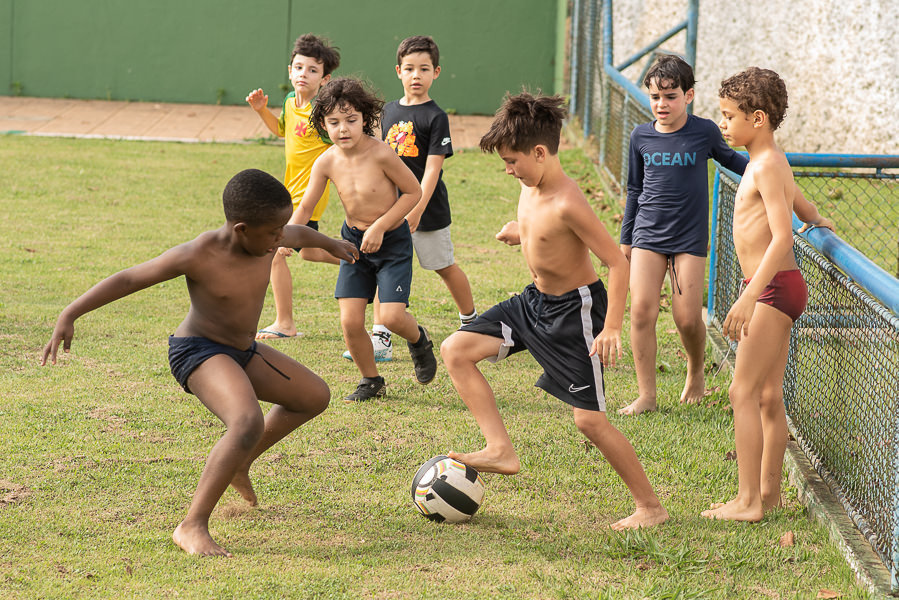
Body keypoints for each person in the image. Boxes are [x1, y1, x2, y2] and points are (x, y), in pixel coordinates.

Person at [41, 169, 358, 556]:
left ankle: (239, 462)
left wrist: (332, 243)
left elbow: (300, 234)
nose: (281, 239)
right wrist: (70, 313)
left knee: (313, 396)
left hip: (242, 349)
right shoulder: (198, 254)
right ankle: (191, 526)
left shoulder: (270, 235)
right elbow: (129, 279)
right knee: (246, 421)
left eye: (281, 230)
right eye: (274, 233)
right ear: (241, 229)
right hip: (198, 350)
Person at [440, 92, 669, 530]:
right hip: (534, 302)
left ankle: (650, 507)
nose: (509, 170)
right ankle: (500, 449)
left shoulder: (568, 201)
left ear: (540, 153)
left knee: (590, 422)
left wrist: (612, 327)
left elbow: (617, 263)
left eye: (512, 161)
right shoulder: (530, 185)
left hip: (574, 313)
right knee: (456, 349)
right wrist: (522, 233)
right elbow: (541, 227)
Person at [702, 68, 833, 521]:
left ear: (757, 119)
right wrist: (816, 217)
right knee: (768, 396)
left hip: (771, 290)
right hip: (777, 287)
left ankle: (748, 502)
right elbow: (795, 203)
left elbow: (781, 237)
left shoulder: (768, 164)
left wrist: (748, 298)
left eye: (728, 116)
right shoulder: (768, 162)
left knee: (742, 391)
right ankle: (769, 494)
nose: (722, 124)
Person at [617, 54, 755, 416]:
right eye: (655, 97)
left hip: (688, 240)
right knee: (641, 311)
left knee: (687, 318)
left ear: (688, 96)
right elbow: (635, 190)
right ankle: (646, 396)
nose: (662, 104)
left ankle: (695, 369)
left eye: (671, 96)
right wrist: (626, 239)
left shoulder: (704, 131)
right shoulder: (640, 136)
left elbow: (732, 160)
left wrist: (768, 168)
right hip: (647, 234)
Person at [289, 77, 438, 401]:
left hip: (392, 242)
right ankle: (371, 380)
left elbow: (413, 192)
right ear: (323, 124)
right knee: (350, 321)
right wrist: (286, 236)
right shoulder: (326, 161)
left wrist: (381, 226)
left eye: (351, 120)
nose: (343, 129)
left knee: (392, 317)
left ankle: (419, 340)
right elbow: (306, 206)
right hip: (353, 245)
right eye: (334, 122)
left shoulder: (382, 153)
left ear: (364, 119)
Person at [341, 35, 478, 364]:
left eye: (424, 69)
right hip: (390, 212)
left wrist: (416, 210)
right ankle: (381, 337)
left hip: (426, 212)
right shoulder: (387, 111)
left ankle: (472, 322)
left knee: (443, 266)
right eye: (410, 68)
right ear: (398, 71)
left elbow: (432, 170)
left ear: (436, 72)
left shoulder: (436, 116)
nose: (416, 75)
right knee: (380, 267)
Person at [246, 34, 341, 340]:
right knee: (309, 252)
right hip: (289, 193)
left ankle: (285, 324)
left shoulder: (322, 112)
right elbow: (280, 130)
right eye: (299, 67)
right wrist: (261, 110)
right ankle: (361, 263)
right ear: (290, 71)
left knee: (274, 253)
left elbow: (339, 148)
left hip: (307, 198)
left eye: (312, 70)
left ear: (324, 79)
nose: (303, 74)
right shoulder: (289, 101)